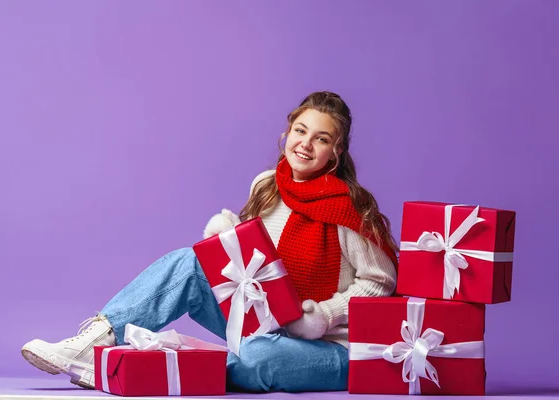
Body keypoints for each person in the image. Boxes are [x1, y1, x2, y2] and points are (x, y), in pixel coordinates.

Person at [21, 91, 398, 393]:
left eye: (322, 138)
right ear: (287, 132)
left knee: (257, 359)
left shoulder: (350, 208)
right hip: (265, 322)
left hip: (327, 345)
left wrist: (323, 317)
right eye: (300, 131)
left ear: (337, 152)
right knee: (188, 261)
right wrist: (226, 243)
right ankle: (95, 344)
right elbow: (255, 262)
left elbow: (381, 282)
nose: (305, 144)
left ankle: (152, 368)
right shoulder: (267, 185)